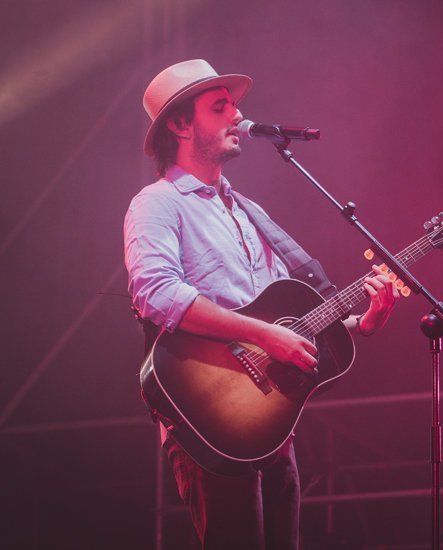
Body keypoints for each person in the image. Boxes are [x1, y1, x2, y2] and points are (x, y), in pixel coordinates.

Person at [124, 59, 399, 549]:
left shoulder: (249, 211)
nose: (238, 115)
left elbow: (288, 318)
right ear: (180, 124)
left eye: (234, 104)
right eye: (220, 106)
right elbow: (156, 293)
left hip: (268, 419)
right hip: (209, 415)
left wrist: (361, 320)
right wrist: (261, 335)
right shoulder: (158, 202)